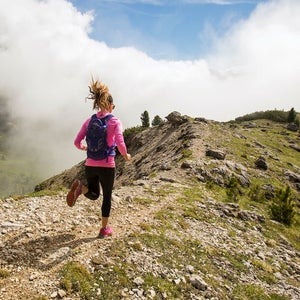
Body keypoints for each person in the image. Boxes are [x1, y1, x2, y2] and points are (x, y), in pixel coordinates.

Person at [66, 78, 131, 238]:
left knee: (94, 194)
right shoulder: (114, 121)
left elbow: (76, 141)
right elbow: (120, 142)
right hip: (107, 165)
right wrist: (125, 155)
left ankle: (82, 188)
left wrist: (84, 147)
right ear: (109, 105)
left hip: (90, 164)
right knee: (106, 196)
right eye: (113, 106)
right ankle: (104, 229)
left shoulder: (89, 121)